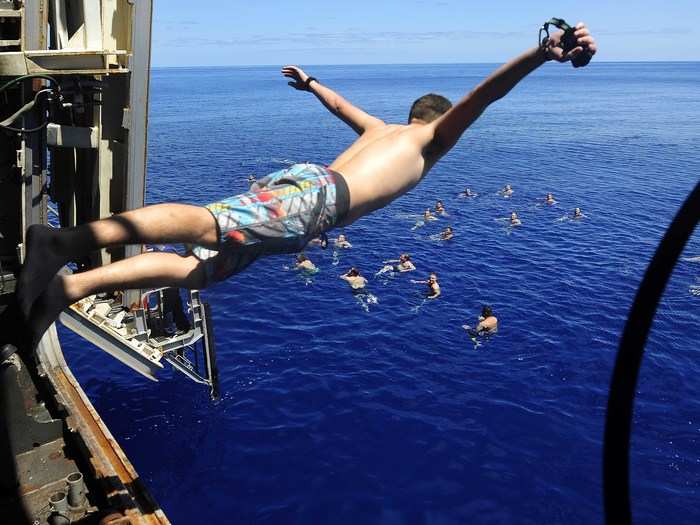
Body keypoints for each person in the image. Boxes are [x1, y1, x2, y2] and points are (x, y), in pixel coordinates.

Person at [19, 23, 597, 344]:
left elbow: (342, 105)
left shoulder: (382, 128)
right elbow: (485, 95)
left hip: (308, 190)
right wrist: (541, 53)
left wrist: (312, 82)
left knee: (200, 268)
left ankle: (71, 289)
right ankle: (62, 244)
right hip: (318, 202)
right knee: (208, 222)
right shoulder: (430, 140)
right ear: (437, 120)